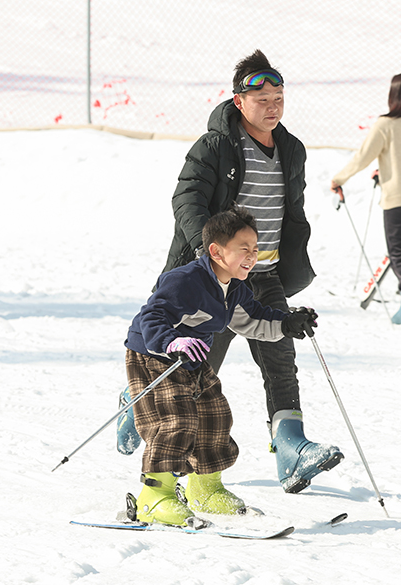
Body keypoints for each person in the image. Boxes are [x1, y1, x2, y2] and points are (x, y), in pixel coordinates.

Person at [119, 50, 343, 495]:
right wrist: (210, 256)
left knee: (281, 359)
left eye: (279, 97)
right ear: (239, 102)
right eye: (263, 98)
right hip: (214, 276)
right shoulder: (216, 146)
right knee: (197, 368)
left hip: (265, 272)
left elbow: (289, 210)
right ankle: (138, 407)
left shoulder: (291, 149)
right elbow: (187, 200)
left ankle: (292, 448)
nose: (273, 106)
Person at [124, 206, 320, 525]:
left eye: (255, 249)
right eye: (244, 249)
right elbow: (152, 316)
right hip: (154, 355)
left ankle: (205, 489)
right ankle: (154, 496)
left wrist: (287, 323)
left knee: (215, 414)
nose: (252, 256)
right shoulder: (185, 280)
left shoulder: (236, 288)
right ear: (216, 251)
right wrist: (172, 343)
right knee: (177, 418)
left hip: (194, 356)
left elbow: (252, 318)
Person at [331, 73, 401, 329]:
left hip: (399, 198)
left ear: (393, 95)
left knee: (400, 255)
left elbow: (363, 157)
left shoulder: (386, 125)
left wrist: (339, 179)